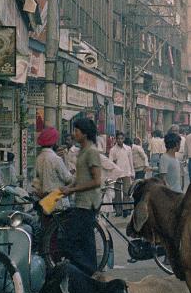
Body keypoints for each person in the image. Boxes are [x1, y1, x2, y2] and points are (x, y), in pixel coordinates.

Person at [59, 118, 103, 275]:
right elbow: (80, 177)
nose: (73, 133)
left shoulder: (91, 152)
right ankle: (90, 272)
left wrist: (73, 190)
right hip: (80, 202)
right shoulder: (81, 151)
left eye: (76, 131)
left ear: (84, 134)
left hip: (88, 203)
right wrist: (69, 187)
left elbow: (97, 180)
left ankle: (89, 271)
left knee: (73, 241)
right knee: (85, 242)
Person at [32, 127, 73, 212]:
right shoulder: (56, 159)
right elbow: (68, 178)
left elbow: (35, 181)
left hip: (44, 201)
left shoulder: (39, 158)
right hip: (57, 200)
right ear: (53, 142)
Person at [108, 131, 134, 216]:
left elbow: (131, 162)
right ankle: (118, 211)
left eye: (121, 138)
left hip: (126, 172)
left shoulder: (128, 149)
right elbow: (110, 162)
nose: (120, 140)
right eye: (118, 138)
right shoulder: (113, 150)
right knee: (117, 193)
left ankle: (126, 209)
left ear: (124, 139)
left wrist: (132, 173)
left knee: (127, 191)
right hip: (117, 174)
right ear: (116, 139)